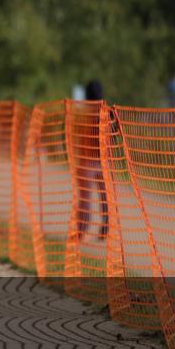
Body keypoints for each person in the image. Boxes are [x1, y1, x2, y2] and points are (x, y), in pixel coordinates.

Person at [74, 79, 109, 241]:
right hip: (103, 160)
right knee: (105, 198)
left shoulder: (85, 111)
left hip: (87, 160)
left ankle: (81, 230)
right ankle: (105, 228)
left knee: (86, 198)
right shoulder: (106, 111)